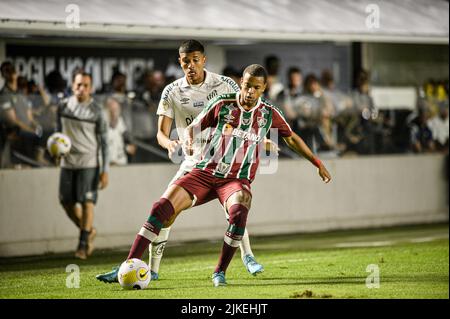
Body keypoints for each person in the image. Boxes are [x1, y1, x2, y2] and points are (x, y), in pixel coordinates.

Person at [97, 64, 332, 287]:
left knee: (240, 210)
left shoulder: (269, 114)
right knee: (161, 208)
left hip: (234, 180)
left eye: (256, 87)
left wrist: (317, 162)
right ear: (241, 82)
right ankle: (127, 266)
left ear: (263, 89)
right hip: (204, 172)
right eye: (247, 85)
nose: (249, 91)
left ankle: (220, 271)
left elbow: (291, 138)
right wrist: (188, 141)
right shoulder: (223, 104)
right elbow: (193, 128)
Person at [96, 39, 266, 284]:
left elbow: (247, 110)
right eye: (186, 61)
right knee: (165, 210)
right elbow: (160, 134)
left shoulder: (225, 84)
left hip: (224, 160)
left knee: (234, 209)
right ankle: (146, 268)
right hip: (194, 162)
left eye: (196, 60)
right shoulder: (172, 91)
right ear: (180, 62)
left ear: (203, 60)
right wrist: (170, 144)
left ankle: (248, 257)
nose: (191, 65)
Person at [56, 70, 109, 259]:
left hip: (89, 163)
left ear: (91, 88)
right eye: (78, 85)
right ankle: (88, 231)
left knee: (87, 203)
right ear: (73, 86)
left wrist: (105, 170)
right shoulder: (62, 107)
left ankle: (82, 244)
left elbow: (104, 143)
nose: (82, 88)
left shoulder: (96, 111)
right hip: (67, 163)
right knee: (66, 202)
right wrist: (55, 152)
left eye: (86, 85)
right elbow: (58, 135)